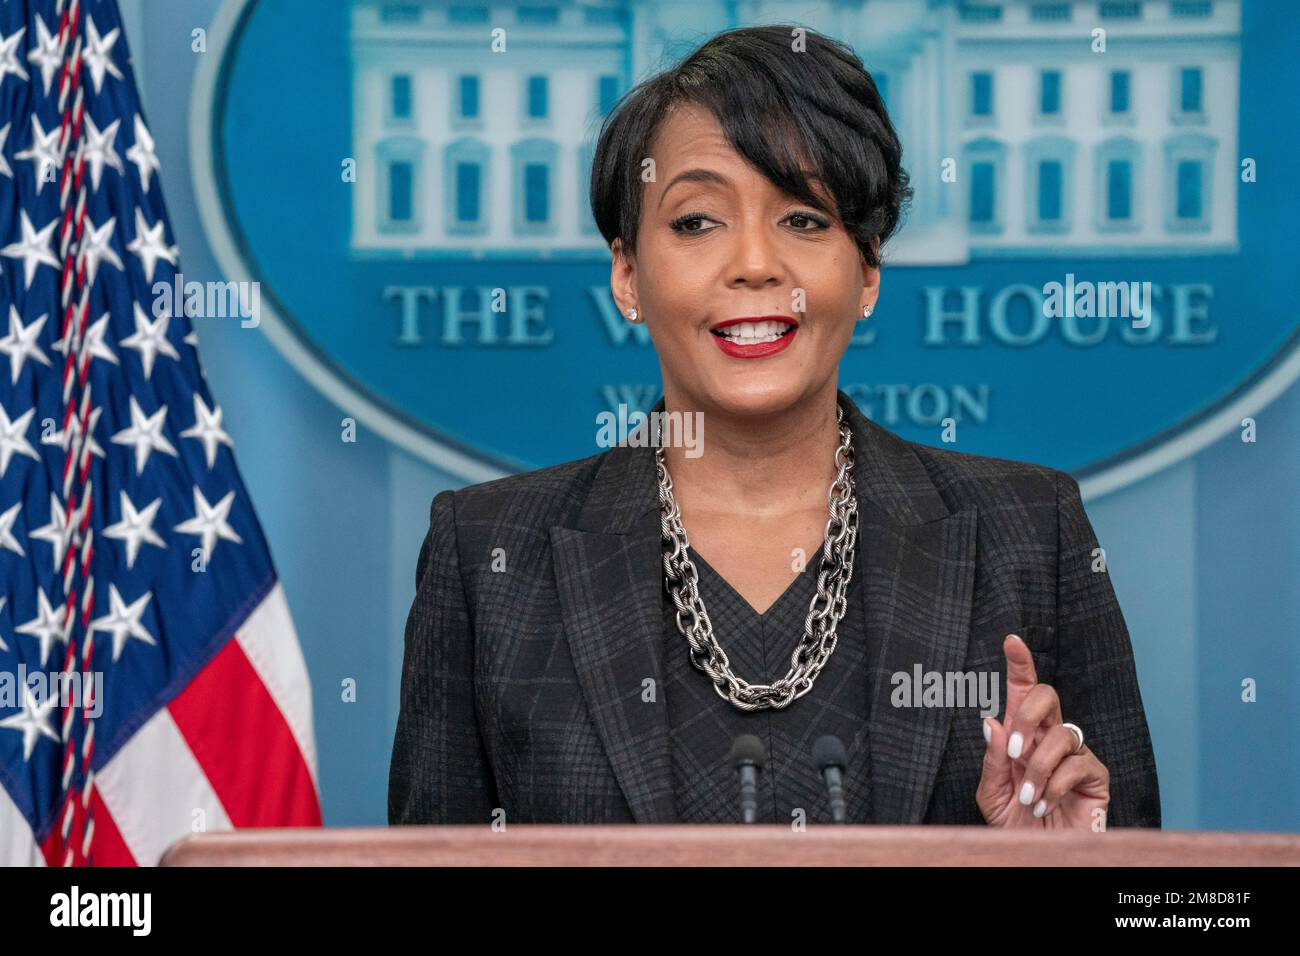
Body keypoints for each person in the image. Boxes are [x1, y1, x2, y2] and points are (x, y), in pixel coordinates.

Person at [388, 24, 1161, 828]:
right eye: (696, 221)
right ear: (626, 275)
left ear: (866, 272)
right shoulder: (487, 559)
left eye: (804, 218)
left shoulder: (1033, 537)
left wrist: (1069, 860)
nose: (755, 263)